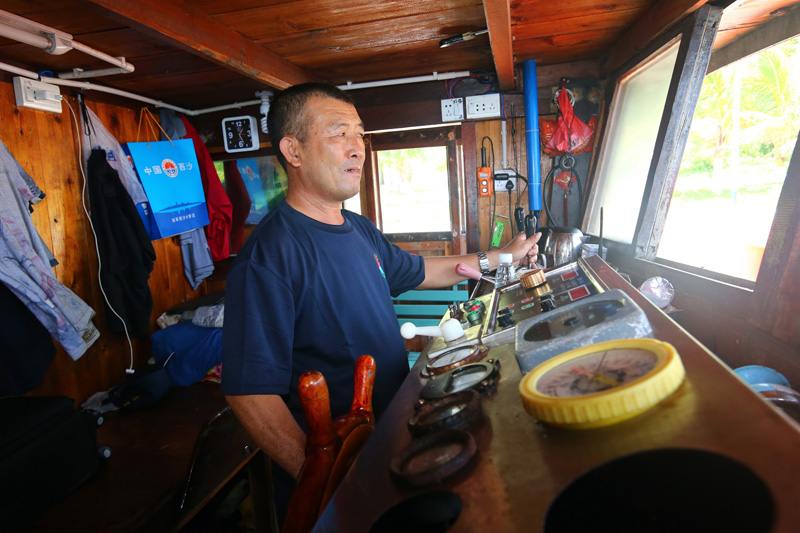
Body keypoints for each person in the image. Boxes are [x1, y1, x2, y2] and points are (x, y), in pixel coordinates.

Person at [221, 83, 540, 520]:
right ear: (292, 151)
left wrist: (502, 258)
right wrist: (323, 478)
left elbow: (422, 271)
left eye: (360, 134)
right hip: (343, 477)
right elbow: (250, 394)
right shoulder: (268, 256)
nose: (357, 148)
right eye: (338, 134)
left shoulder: (358, 228)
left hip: (391, 442)